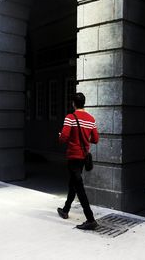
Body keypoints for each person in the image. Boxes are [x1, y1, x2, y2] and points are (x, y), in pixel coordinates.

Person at [57, 92, 99, 230]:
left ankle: (90, 218)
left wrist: (60, 136)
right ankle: (65, 210)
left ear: (73, 103)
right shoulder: (91, 119)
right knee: (73, 183)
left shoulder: (70, 117)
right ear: (84, 103)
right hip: (83, 157)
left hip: (73, 156)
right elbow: (95, 139)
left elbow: (63, 138)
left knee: (78, 186)